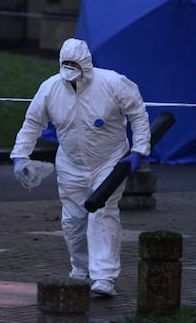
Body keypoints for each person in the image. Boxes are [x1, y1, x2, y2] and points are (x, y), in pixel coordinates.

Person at [10, 38, 151, 297]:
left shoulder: (113, 83)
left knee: (102, 214)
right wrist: (20, 155)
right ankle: (80, 270)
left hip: (110, 162)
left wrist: (138, 150)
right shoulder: (50, 89)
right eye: (67, 67)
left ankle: (104, 277)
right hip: (70, 165)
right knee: (73, 222)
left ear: (86, 65)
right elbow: (32, 123)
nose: (71, 74)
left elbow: (138, 114)